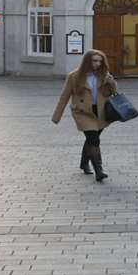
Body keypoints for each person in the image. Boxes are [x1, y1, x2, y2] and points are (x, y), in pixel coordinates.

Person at [53, 49, 117, 182]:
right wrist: (56, 116)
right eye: (94, 61)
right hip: (82, 112)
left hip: (100, 111)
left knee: (91, 139)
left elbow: (111, 93)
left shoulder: (104, 75)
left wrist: (111, 82)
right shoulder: (74, 76)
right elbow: (65, 96)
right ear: (87, 61)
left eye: (100, 61)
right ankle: (99, 170)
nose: (97, 64)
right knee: (94, 139)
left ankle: (84, 163)